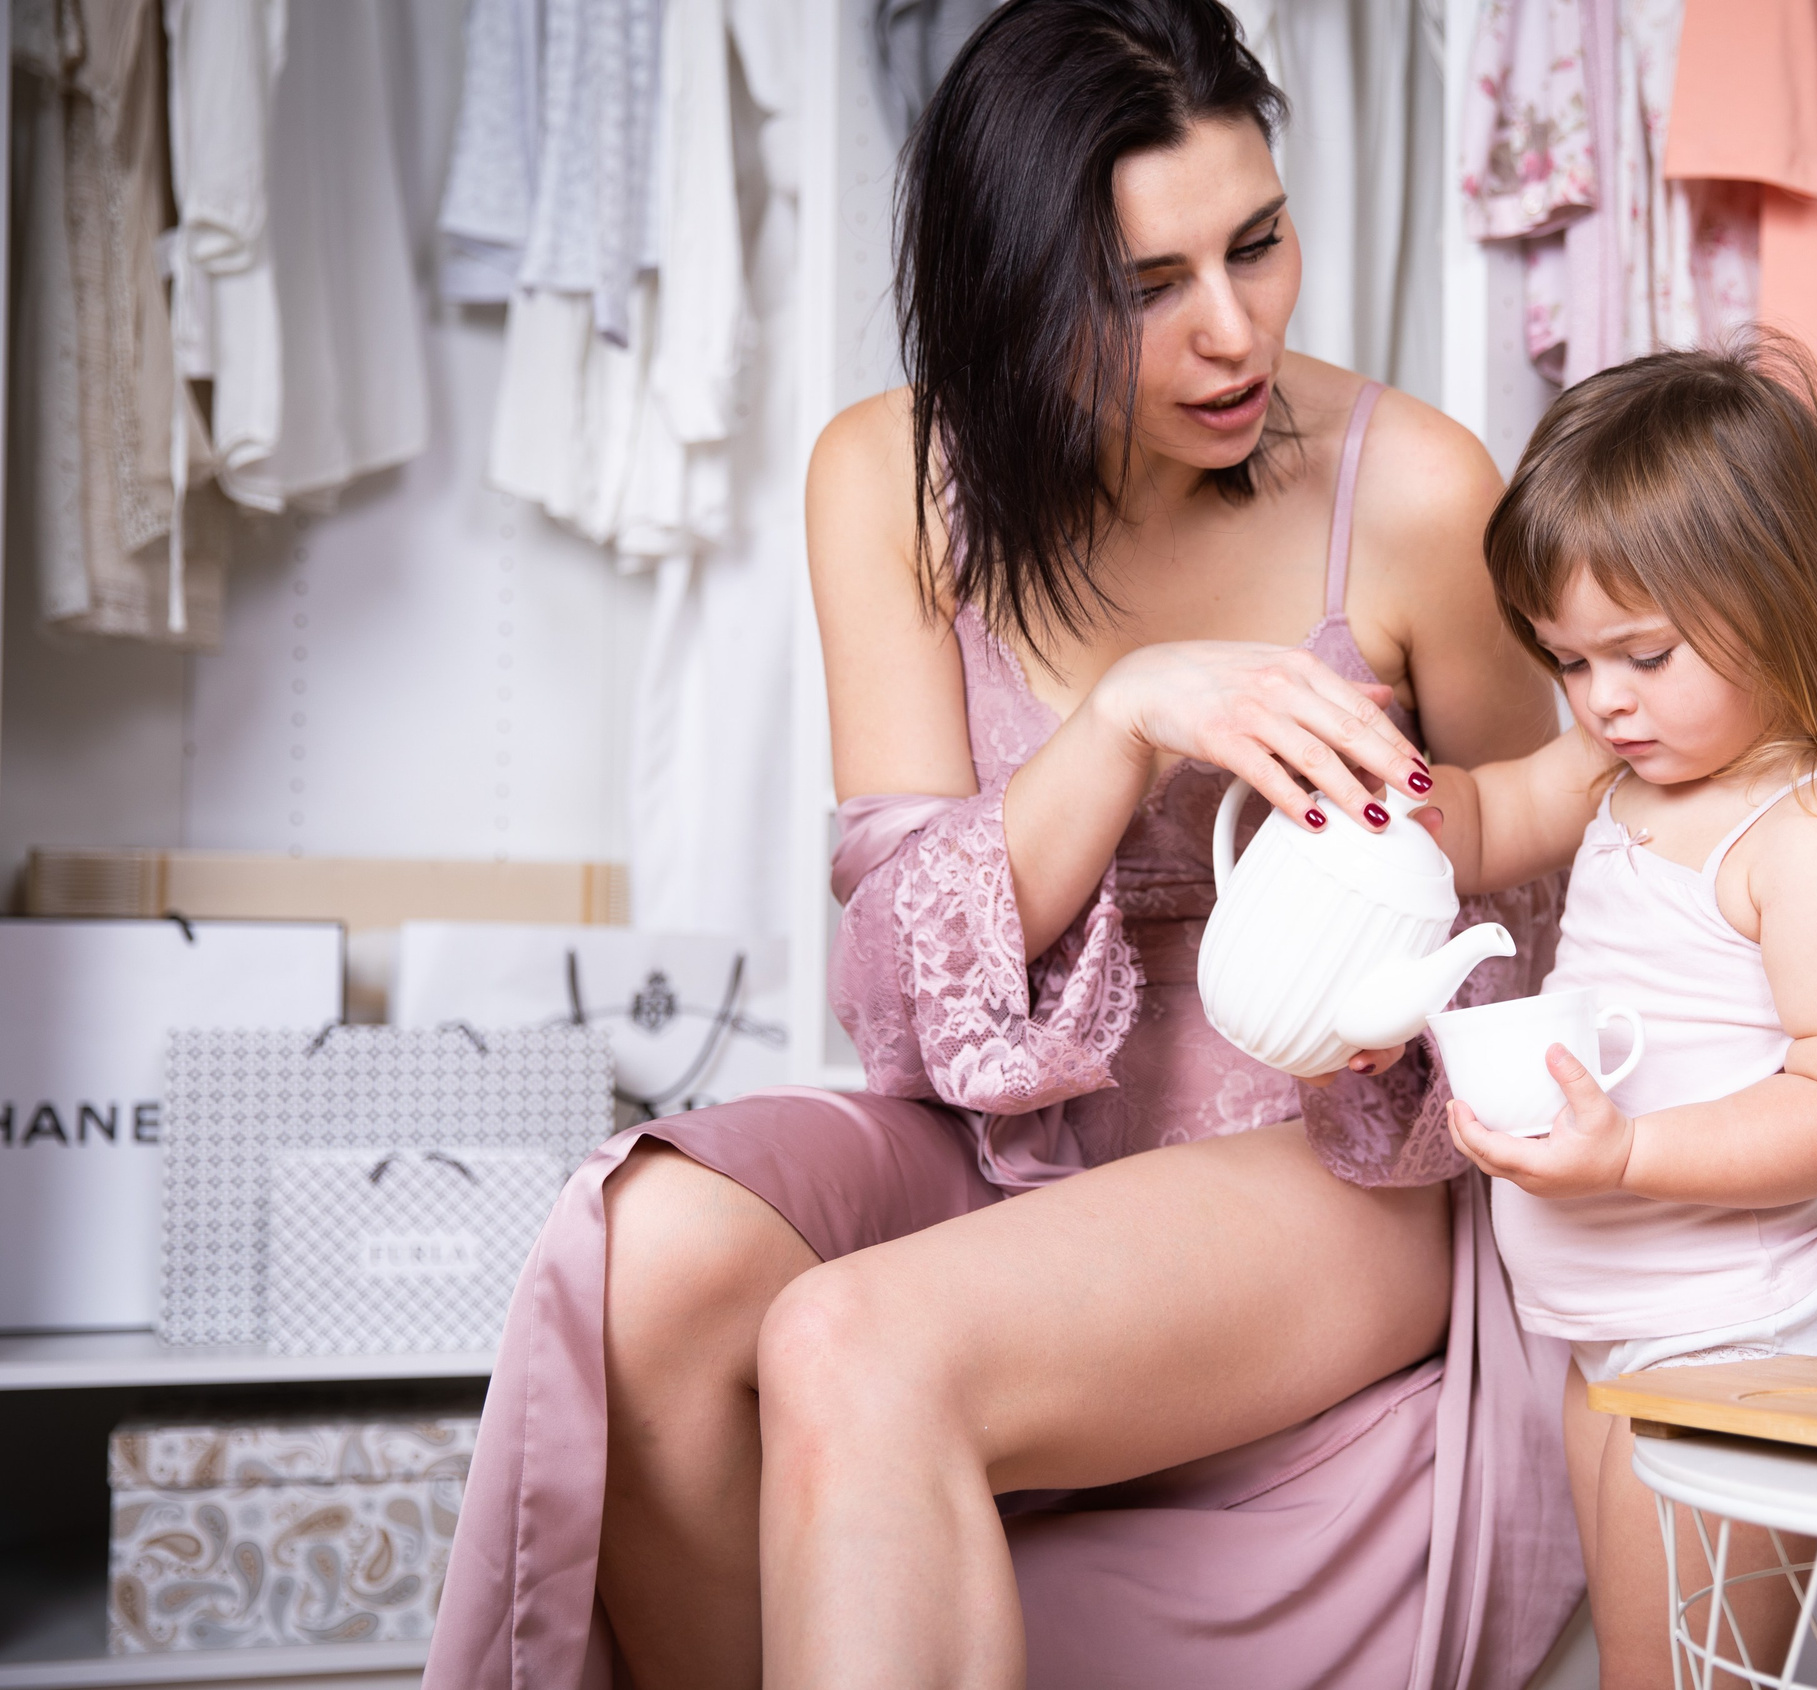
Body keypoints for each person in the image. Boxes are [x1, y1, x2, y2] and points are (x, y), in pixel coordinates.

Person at [422, 3, 1582, 1689]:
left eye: (1258, 245)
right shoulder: (889, 475)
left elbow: (1535, 903)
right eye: (1146, 287)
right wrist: (1120, 721)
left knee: (850, 1337)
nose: (1234, 332)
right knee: (649, 1247)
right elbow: (901, 1001)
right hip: (1006, 1137)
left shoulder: (1409, 486)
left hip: (1328, 1167)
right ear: (1014, 289)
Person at [1414, 343, 1817, 1686]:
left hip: (1737, 1344)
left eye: (1642, 653)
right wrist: (1395, 802)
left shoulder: (1807, 825)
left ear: (1772, 597)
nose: (1603, 699)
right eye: (1572, 661)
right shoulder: (1614, 761)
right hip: (1618, 1339)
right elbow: (1480, 822)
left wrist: (1629, 1156)